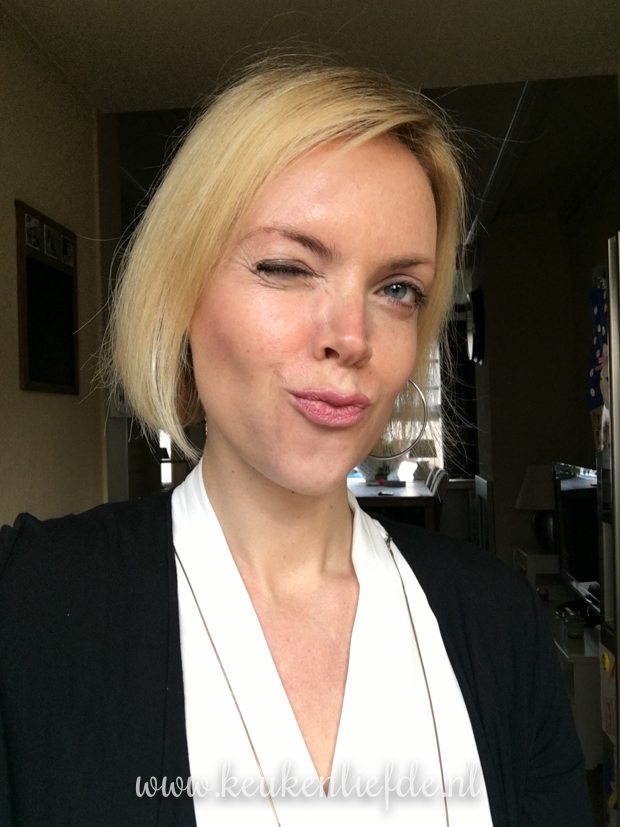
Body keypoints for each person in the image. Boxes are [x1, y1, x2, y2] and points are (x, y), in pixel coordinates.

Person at [0, 60, 593, 826]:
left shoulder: (499, 622)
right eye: (287, 266)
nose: (353, 336)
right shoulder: (28, 605)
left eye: (397, 289)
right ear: (181, 290)